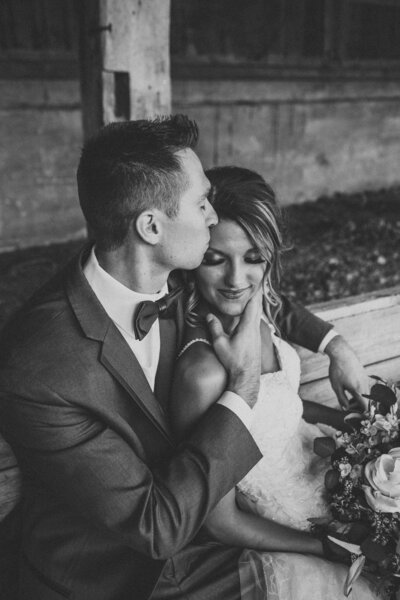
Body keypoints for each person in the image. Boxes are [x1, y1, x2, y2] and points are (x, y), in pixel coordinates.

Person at [0, 116, 367, 600]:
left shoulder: (169, 274)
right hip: (116, 575)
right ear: (151, 226)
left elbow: (263, 292)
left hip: (205, 529)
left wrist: (333, 344)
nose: (214, 217)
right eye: (202, 203)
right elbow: (154, 528)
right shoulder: (39, 367)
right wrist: (242, 386)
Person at [170, 166, 377, 599]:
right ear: (192, 256)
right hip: (290, 528)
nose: (235, 280)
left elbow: (284, 409)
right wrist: (326, 547)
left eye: (253, 258)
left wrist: (360, 430)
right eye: (215, 259)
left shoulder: (256, 305)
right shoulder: (203, 373)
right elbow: (220, 521)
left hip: (328, 474)